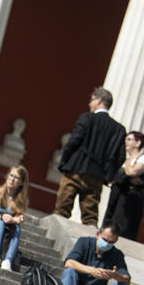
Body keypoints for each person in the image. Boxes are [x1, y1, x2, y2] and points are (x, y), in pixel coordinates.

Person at [53, 86, 127, 226]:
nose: (89, 104)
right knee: (90, 217)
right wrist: (108, 175)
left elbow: (74, 141)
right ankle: (91, 243)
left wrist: (65, 160)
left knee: (62, 209)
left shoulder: (86, 118)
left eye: (91, 100)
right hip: (97, 176)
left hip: (75, 169)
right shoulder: (119, 129)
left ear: (99, 100)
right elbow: (120, 157)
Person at [104, 130, 144, 240]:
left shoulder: (143, 159)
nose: (126, 142)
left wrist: (128, 161)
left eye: (129, 139)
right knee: (111, 220)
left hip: (131, 198)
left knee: (123, 226)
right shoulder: (125, 159)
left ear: (138, 143)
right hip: (118, 195)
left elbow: (132, 172)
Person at [0, 165, 28, 270]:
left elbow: (18, 219)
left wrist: (18, 219)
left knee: (16, 228)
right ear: (7, 176)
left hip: (5, 235)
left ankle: (8, 260)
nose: (12, 179)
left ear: (21, 183)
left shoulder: (21, 201)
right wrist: (3, 217)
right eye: (11, 175)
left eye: (16, 178)